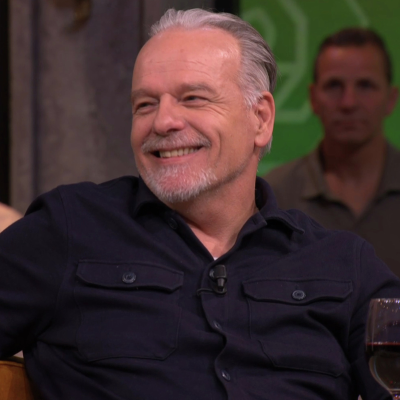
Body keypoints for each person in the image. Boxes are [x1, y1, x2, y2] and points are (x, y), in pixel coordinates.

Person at [0, 10, 398, 400]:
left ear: (260, 118)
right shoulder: (70, 228)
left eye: (192, 98)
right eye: (145, 104)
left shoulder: (343, 264)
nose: (163, 121)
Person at [265, 28, 400, 276]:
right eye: (334, 86)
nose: (349, 102)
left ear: (391, 99)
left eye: (365, 85)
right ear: (313, 98)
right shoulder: (273, 197)